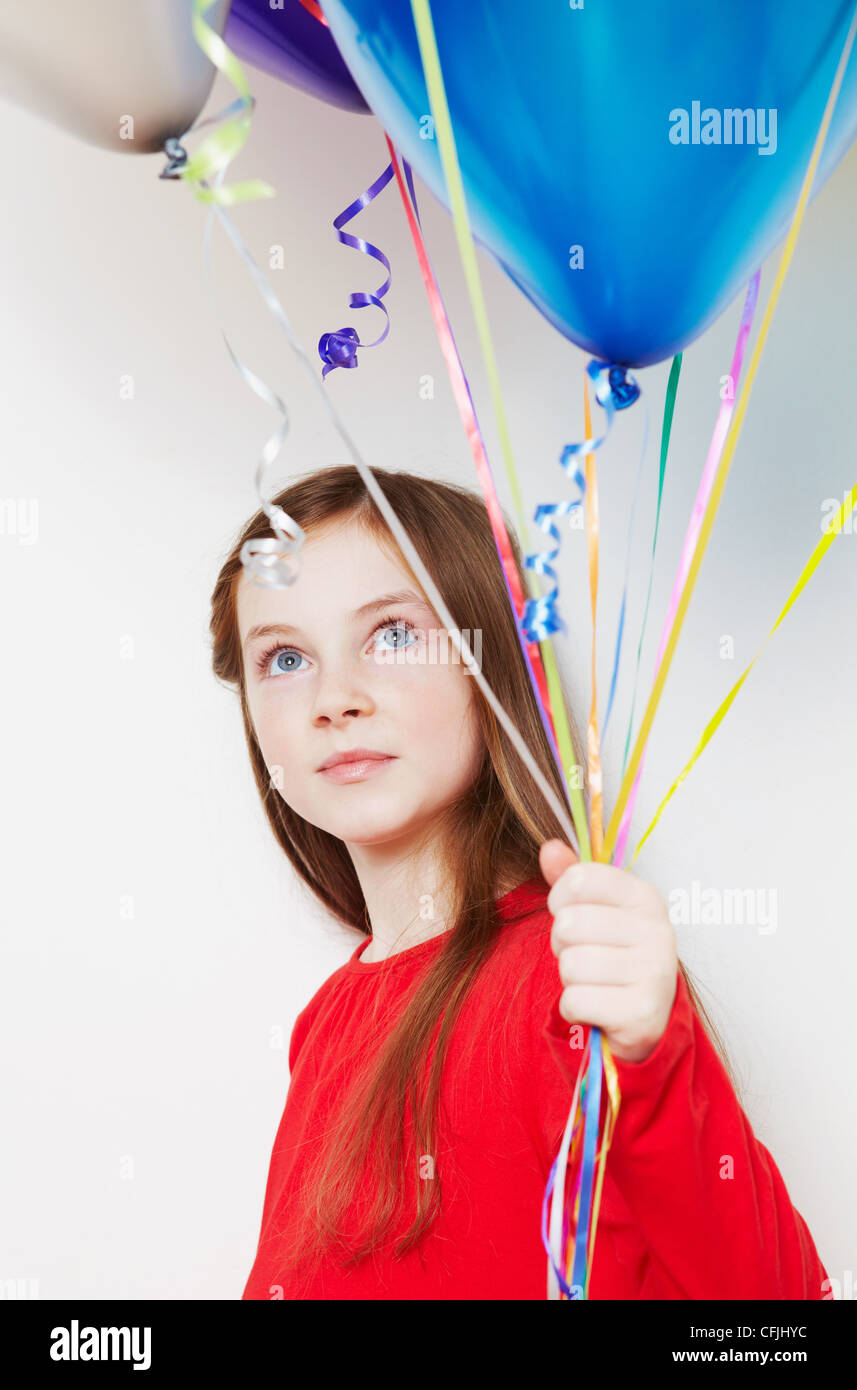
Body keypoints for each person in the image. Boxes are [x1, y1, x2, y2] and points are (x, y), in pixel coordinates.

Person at [208, 463, 828, 1300]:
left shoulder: (573, 979)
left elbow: (769, 1316)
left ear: (488, 665)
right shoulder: (323, 1023)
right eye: (284, 656)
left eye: (392, 634)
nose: (335, 697)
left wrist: (654, 1056)